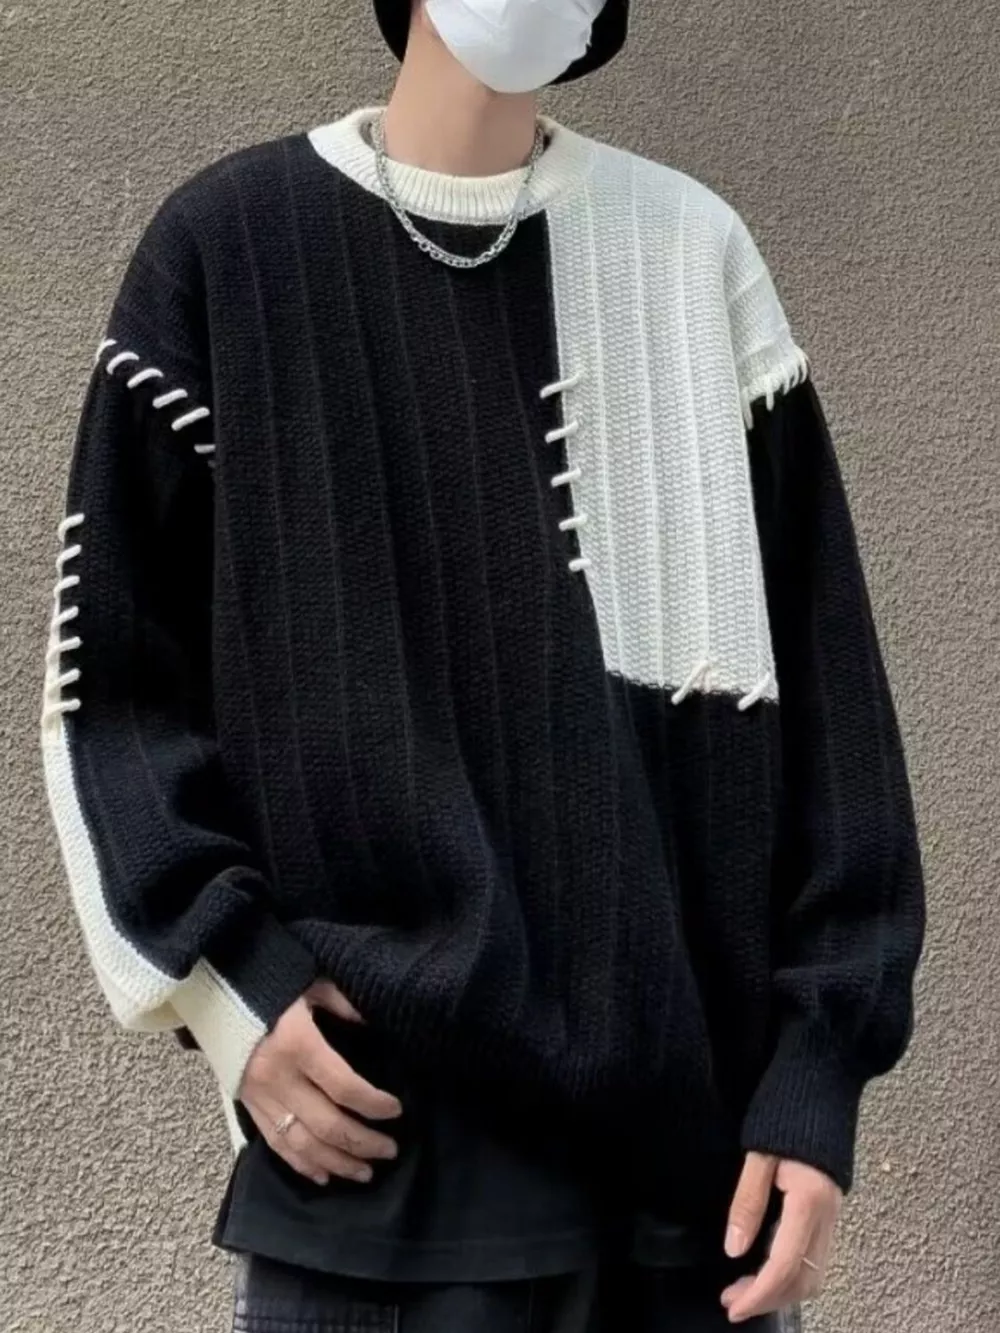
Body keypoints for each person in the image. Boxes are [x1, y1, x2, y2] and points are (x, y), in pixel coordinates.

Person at [39, 0, 926, 1329]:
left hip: (691, 1201)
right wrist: (229, 987)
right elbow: (103, 686)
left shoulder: (690, 254)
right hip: (371, 1176)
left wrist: (818, 1075)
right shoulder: (229, 251)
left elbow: (830, 711)